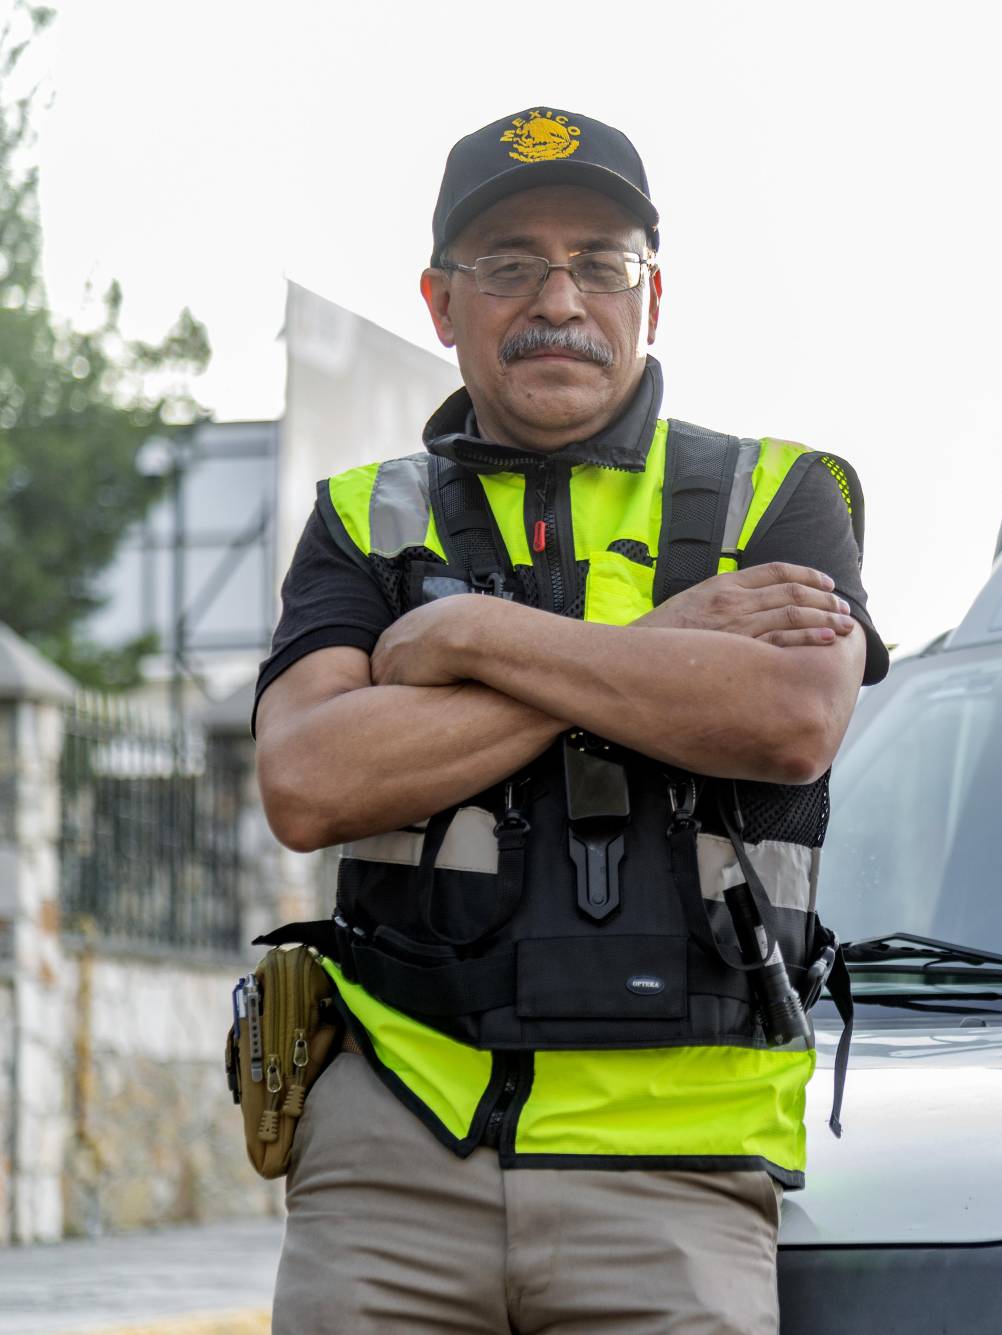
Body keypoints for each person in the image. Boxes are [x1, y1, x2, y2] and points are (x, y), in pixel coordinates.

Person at [251, 106, 889, 1333]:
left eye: (601, 263)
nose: (560, 298)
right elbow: (309, 782)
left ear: (655, 294)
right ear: (442, 303)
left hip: (676, 1168)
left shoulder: (785, 495)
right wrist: (659, 657)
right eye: (509, 265)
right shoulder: (362, 515)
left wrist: (470, 639)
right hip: (395, 1152)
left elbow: (788, 723)